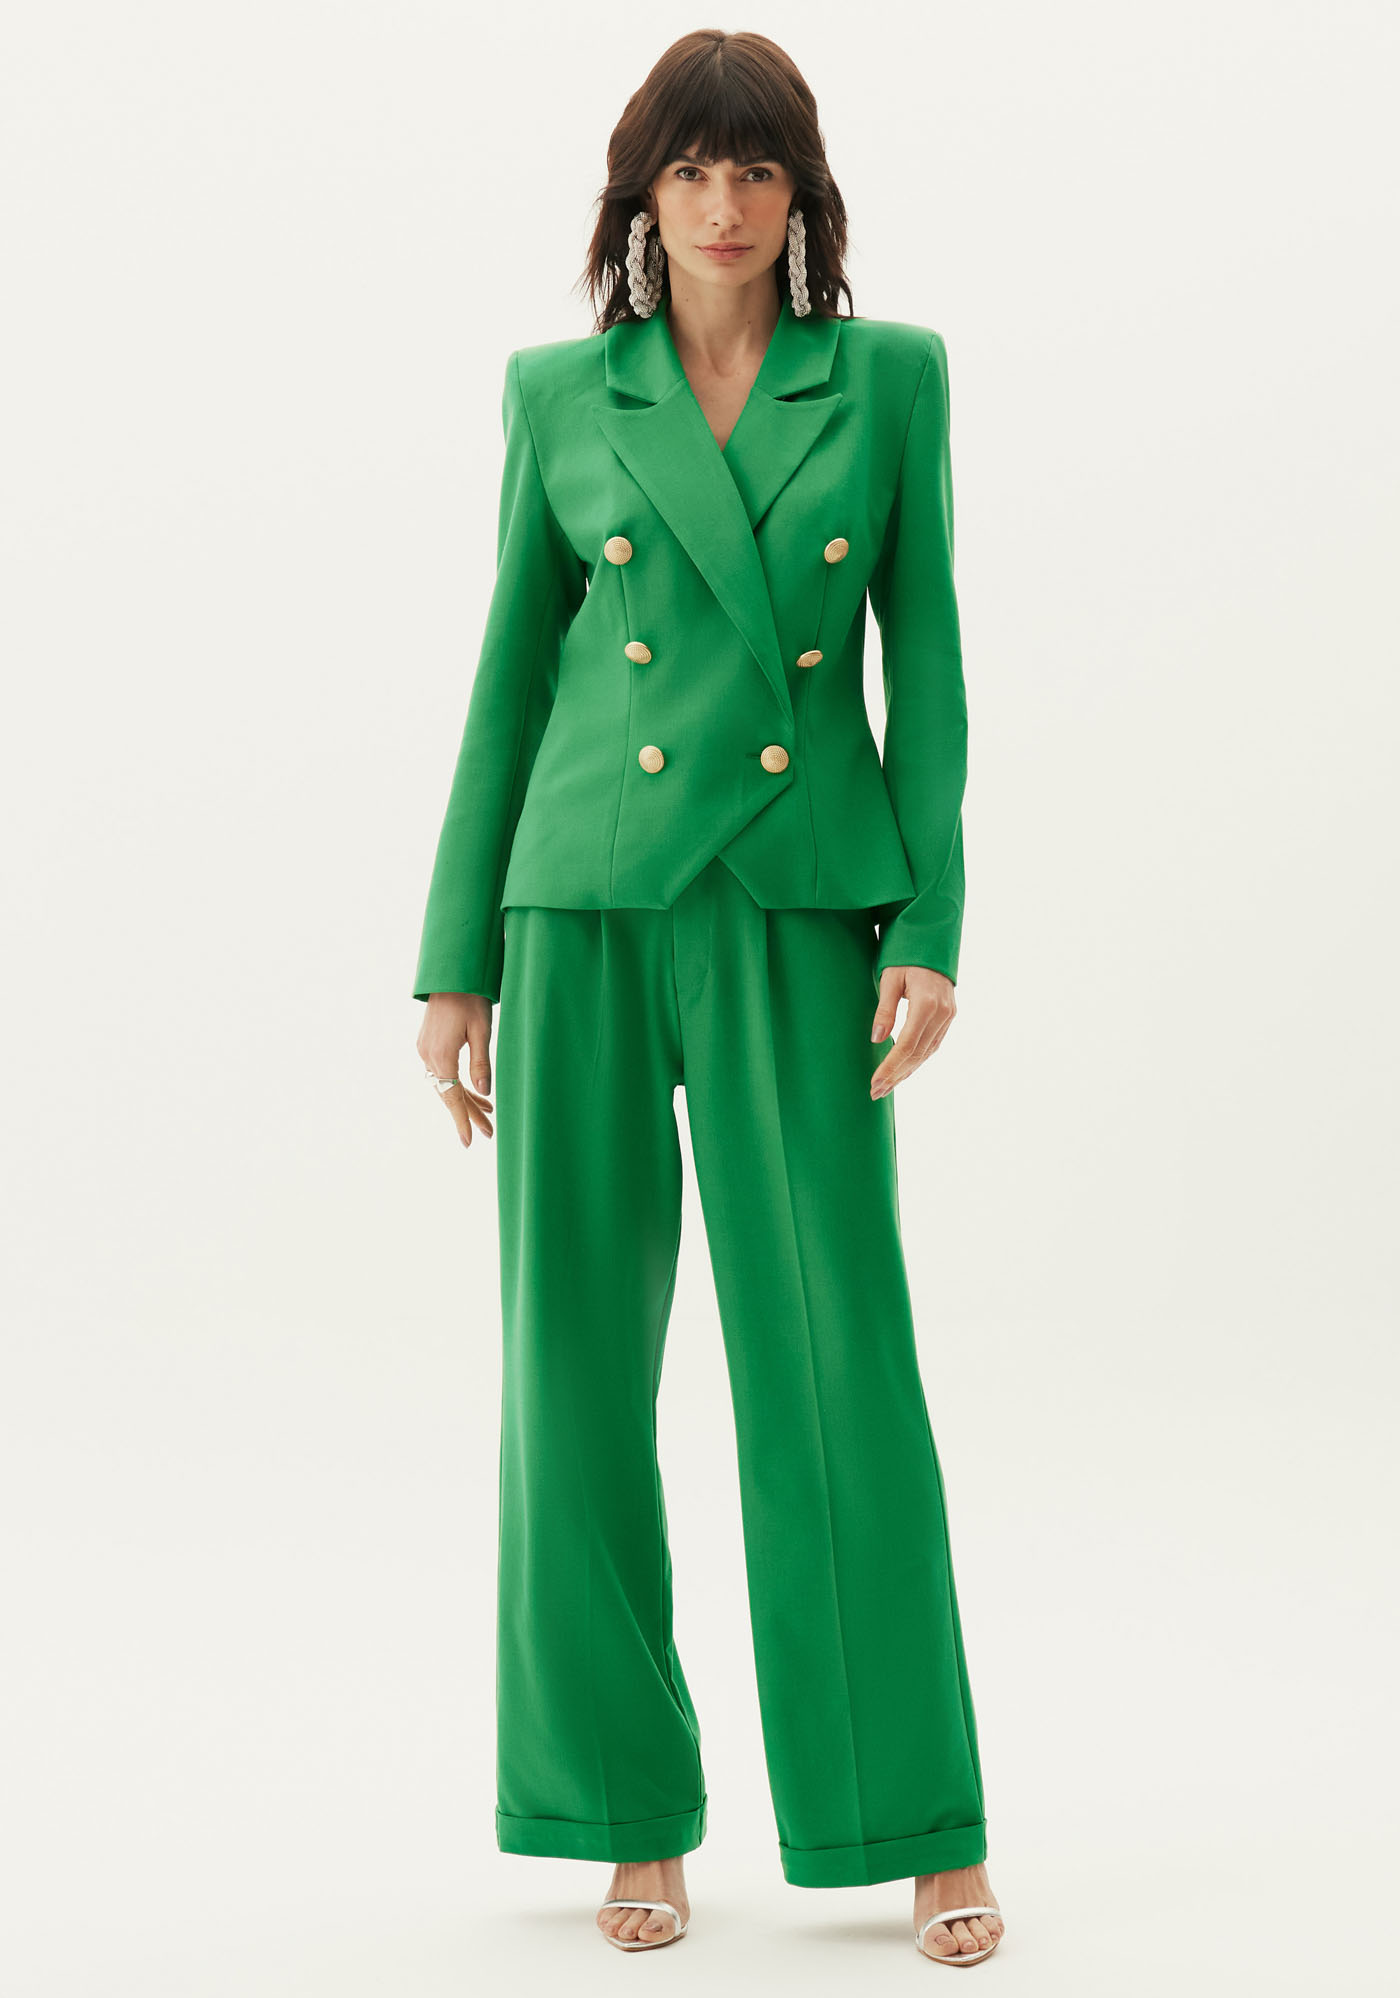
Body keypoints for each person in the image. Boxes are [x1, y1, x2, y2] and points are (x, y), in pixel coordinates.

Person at [411, 28, 1006, 1968]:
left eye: (755, 171)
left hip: (799, 900)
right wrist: (454, 959)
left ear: (799, 193)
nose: (723, 205)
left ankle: (915, 1820)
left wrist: (929, 919)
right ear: (640, 197)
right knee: (572, 1368)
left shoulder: (888, 376)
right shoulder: (556, 391)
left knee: (835, 1365)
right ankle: (620, 1810)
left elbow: (929, 664)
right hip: (581, 901)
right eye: (689, 171)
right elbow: (511, 675)